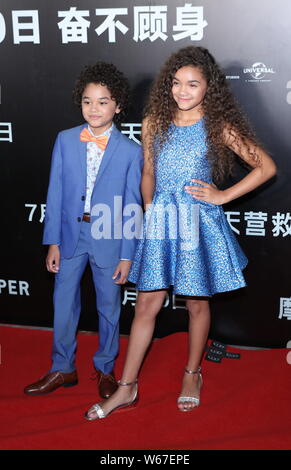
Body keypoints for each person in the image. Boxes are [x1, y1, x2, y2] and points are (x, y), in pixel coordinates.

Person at [84, 46, 276, 420]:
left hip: (196, 222)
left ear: (209, 88)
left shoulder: (217, 125)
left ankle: (192, 374)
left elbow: (265, 166)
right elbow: (148, 174)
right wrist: (150, 206)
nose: (182, 91)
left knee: (197, 304)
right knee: (145, 306)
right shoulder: (155, 121)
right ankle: (127, 388)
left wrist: (222, 196)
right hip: (161, 221)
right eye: (176, 83)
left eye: (192, 84)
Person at [24, 62, 143, 398]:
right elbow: (56, 193)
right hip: (69, 237)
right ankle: (62, 367)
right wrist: (52, 243)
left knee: (109, 308)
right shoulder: (65, 140)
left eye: (103, 101)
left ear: (118, 105)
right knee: (63, 303)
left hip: (110, 238)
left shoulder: (132, 152)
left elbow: (133, 206)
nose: (94, 108)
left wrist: (127, 255)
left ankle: (106, 369)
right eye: (88, 101)